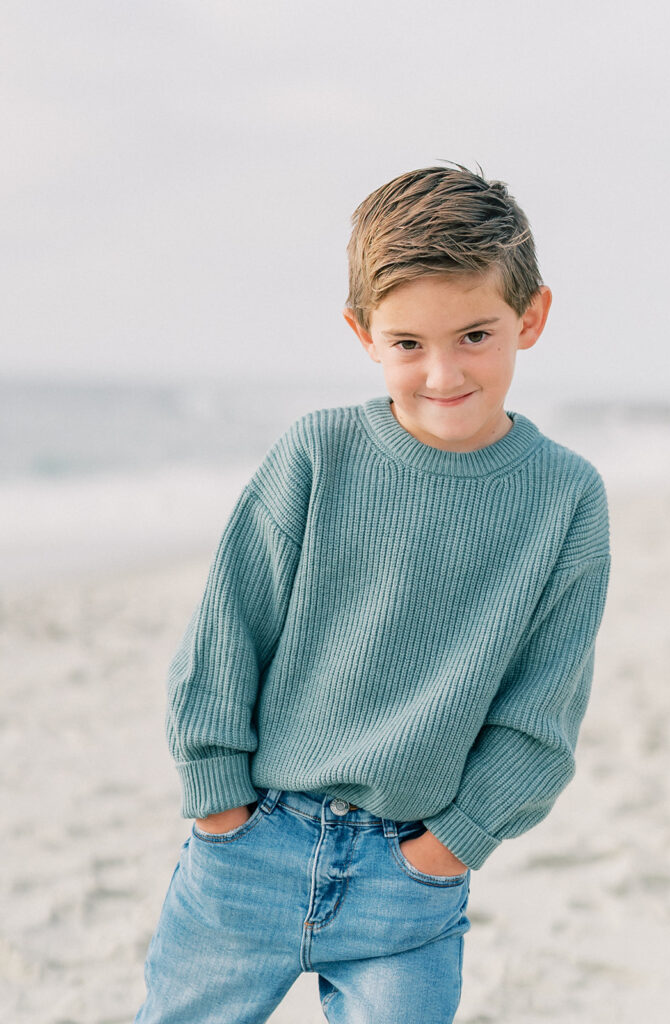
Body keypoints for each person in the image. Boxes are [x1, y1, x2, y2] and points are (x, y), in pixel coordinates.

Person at [134, 163, 611, 1024]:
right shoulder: (317, 455)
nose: (442, 374)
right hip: (249, 847)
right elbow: (228, 632)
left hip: (409, 883)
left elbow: (542, 712)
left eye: (475, 335)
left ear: (530, 317)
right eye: (407, 345)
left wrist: (451, 846)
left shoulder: (565, 497)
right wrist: (215, 800)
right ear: (363, 334)